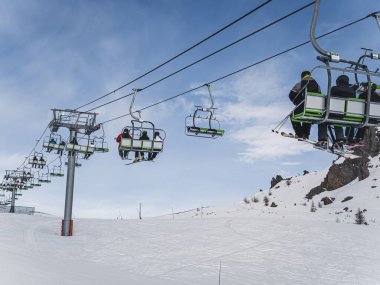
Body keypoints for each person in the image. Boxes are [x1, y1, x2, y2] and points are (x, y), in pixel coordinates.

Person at [289, 71, 321, 139]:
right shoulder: (317, 85)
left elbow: (291, 94)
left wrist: (297, 102)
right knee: (308, 115)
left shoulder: (301, 83)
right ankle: (306, 134)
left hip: (304, 105)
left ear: (302, 77)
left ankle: (300, 134)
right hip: (316, 108)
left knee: (293, 115)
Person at [331, 75, 356, 146]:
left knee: (333, 118)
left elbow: (330, 98)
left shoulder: (334, 89)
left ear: (338, 82)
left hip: (336, 114)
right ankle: (350, 138)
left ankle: (339, 138)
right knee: (350, 120)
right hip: (350, 115)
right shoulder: (353, 91)